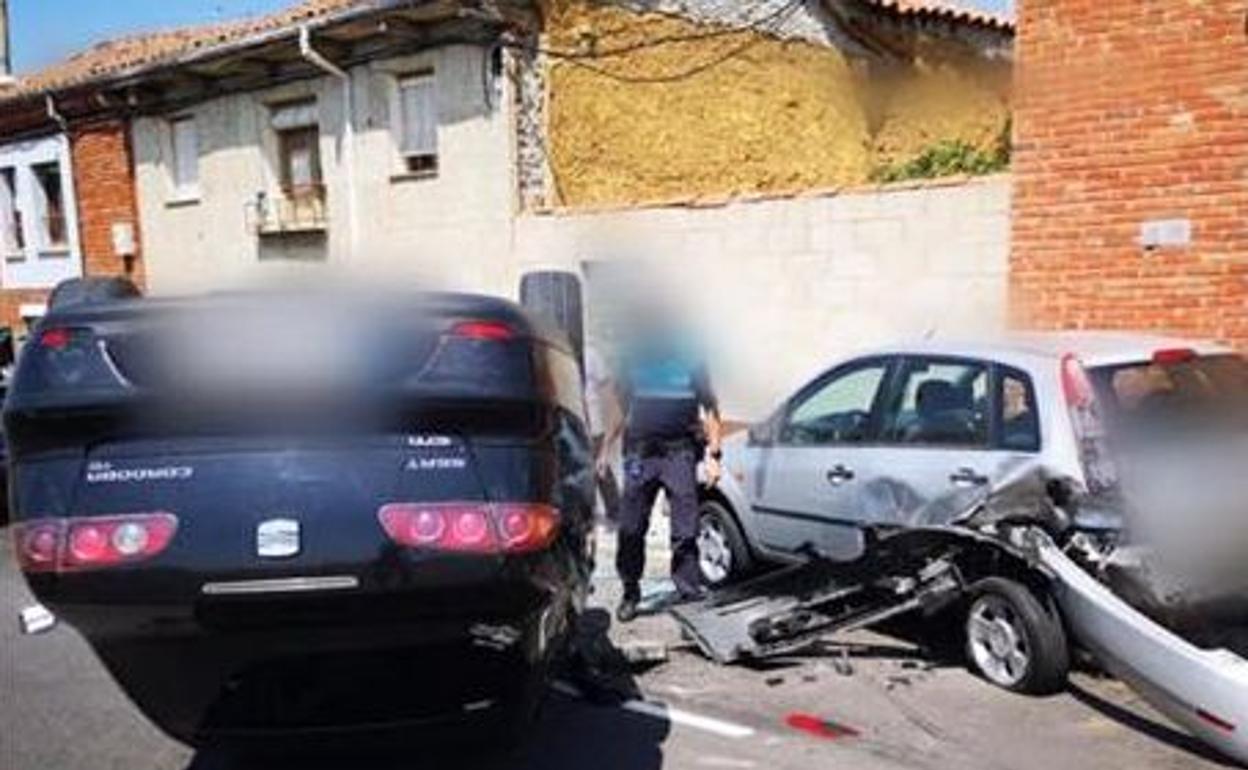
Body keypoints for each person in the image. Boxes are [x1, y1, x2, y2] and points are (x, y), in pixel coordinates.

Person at [597, 327, 722, 623]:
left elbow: (712, 406)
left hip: (679, 453)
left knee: (685, 530)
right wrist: (605, 448)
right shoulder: (633, 358)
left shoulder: (692, 359)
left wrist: (714, 455)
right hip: (640, 453)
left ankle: (688, 591)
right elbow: (618, 406)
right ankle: (630, 591)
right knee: (631, 528)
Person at [583, 342, 621, 523]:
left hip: (593, 419)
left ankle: (615, 510)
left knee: (600, 466)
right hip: (570, 419)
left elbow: (606, 384)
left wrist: (608, 417)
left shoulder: (590, 353)